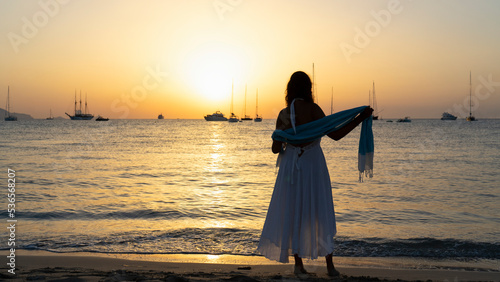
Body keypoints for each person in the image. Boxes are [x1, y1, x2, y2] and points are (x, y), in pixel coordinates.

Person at [257, 71, 373, 276]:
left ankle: (298, 265)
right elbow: (335, 135)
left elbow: (276, 149)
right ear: (308, 89)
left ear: (290, 90)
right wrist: (359, 118)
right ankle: (330, 266)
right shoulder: (312, 109)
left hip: (290, 168)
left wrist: (283, 137)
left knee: (293, 211)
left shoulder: (284, 114)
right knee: (320, 211)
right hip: (312, 166)